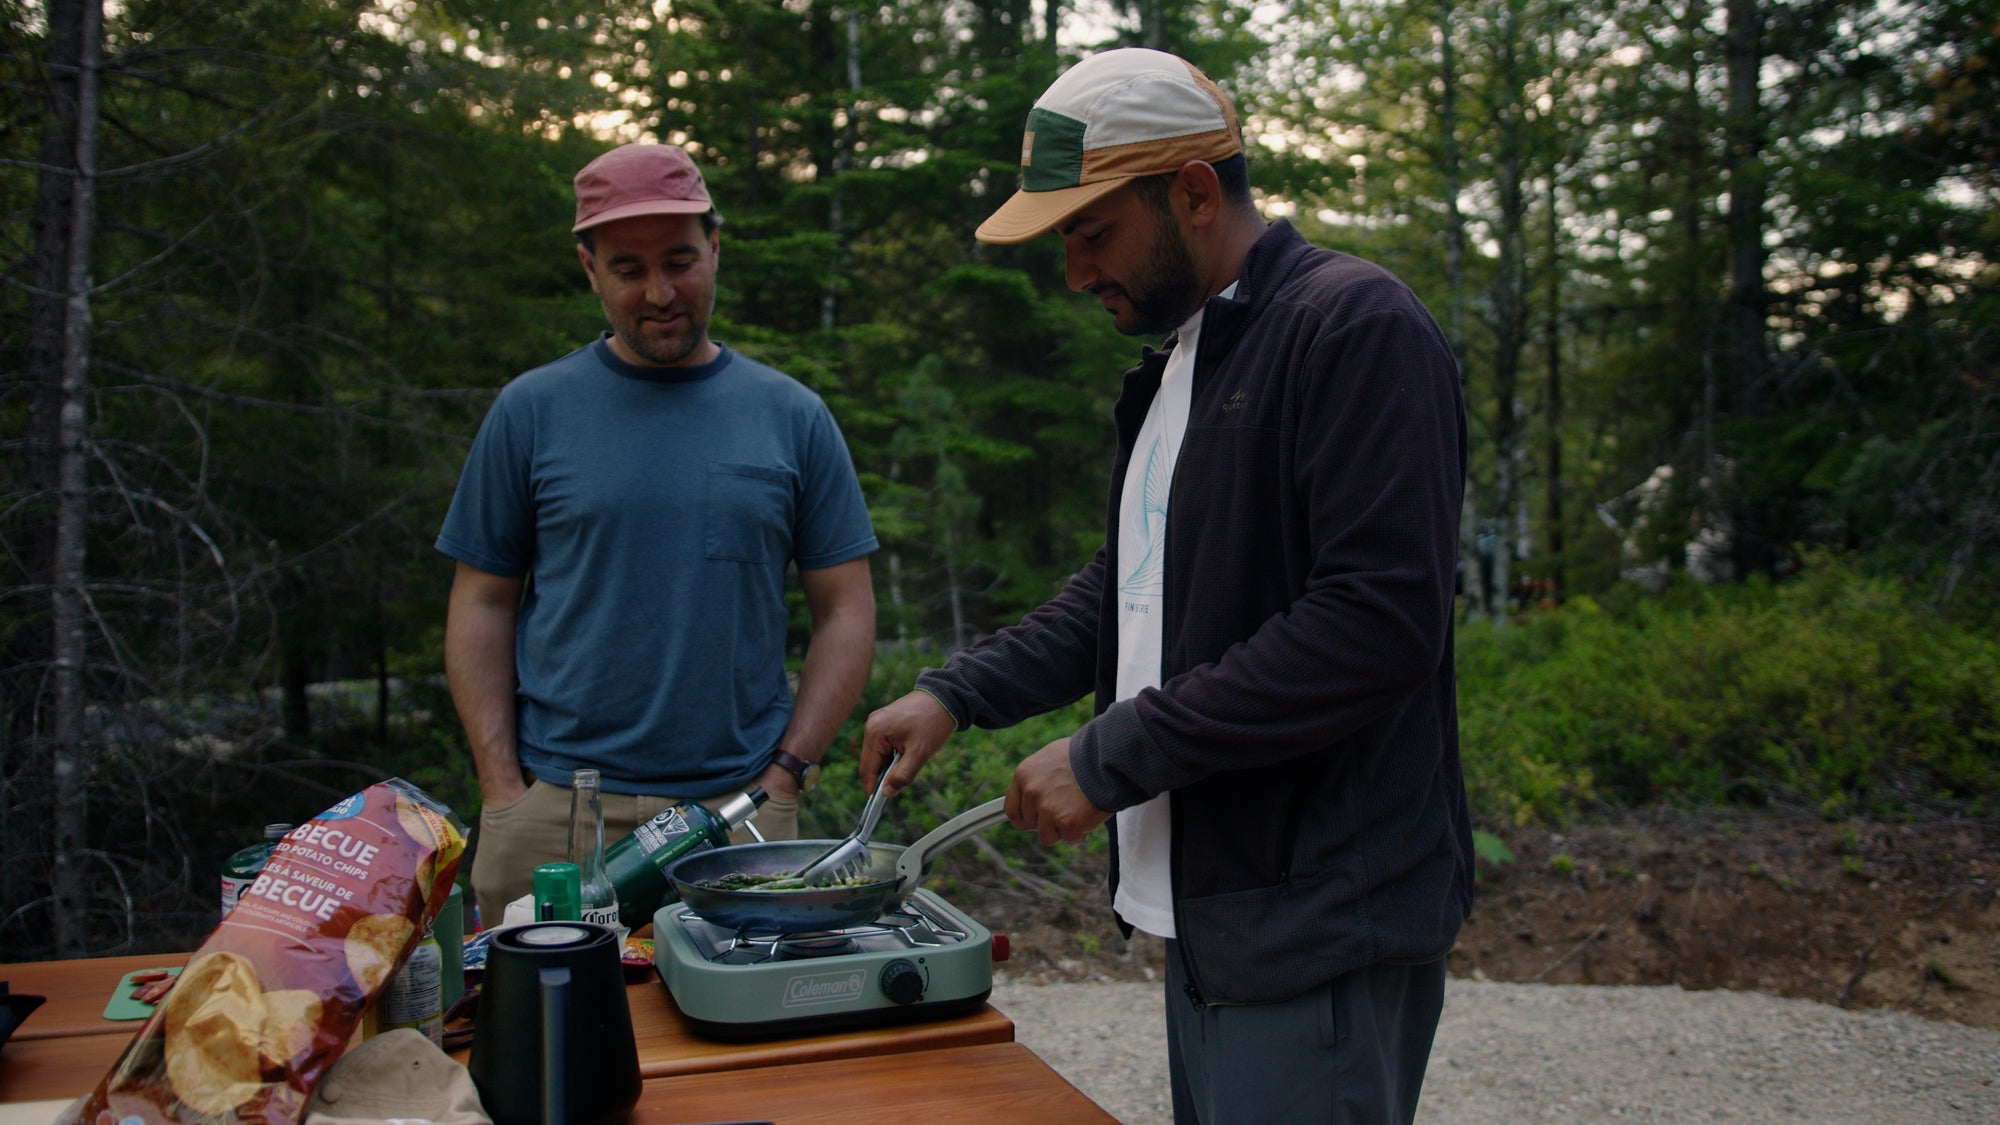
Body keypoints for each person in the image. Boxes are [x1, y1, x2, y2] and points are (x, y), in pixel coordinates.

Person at [859, 49, 1470, 1124]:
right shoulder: (1194, 359)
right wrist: (959, 692)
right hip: (1220, 913)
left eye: (1090, 233)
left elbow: (1376, 622)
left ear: (1191, 192)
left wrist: (1111, 755)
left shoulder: (1350, 326)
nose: (1075, 272)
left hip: (1315, 916)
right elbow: (1131, 588)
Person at [438, 143, 878, 917]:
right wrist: (501, 790)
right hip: (554, 814)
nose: (660, 292)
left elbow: (845, 607)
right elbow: (482, 602)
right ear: (589, 269)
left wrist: (785, 778)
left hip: (736, 815)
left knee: (733, 1030)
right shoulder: (531, 412)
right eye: (628, 269)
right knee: (541, 1034)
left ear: (717, 246)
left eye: (680, 260)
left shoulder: (792, 417)